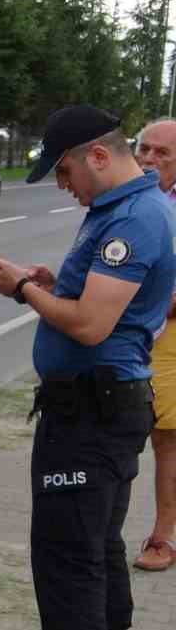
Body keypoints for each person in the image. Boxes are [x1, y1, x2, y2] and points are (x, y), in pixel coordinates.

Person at [0, 106, 176, 630]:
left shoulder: (135, 218)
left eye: (63, 169)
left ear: (98, 155)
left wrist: (21, 290)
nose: (62, 183)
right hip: (100, 404)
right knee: (95, 548)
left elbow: (92, 326)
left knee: (69, 555)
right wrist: (51, 282)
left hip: (93, 410)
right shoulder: (125, 210)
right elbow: (100, 300)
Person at [133, 117, 176, 572]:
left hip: (170, 338)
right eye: (144, 149)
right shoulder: (128, 198)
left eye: (161, 153)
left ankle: (163, 537)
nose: (148, 159)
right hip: (124, 333)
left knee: (167, 440)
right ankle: (104, 531)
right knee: (119, 432)